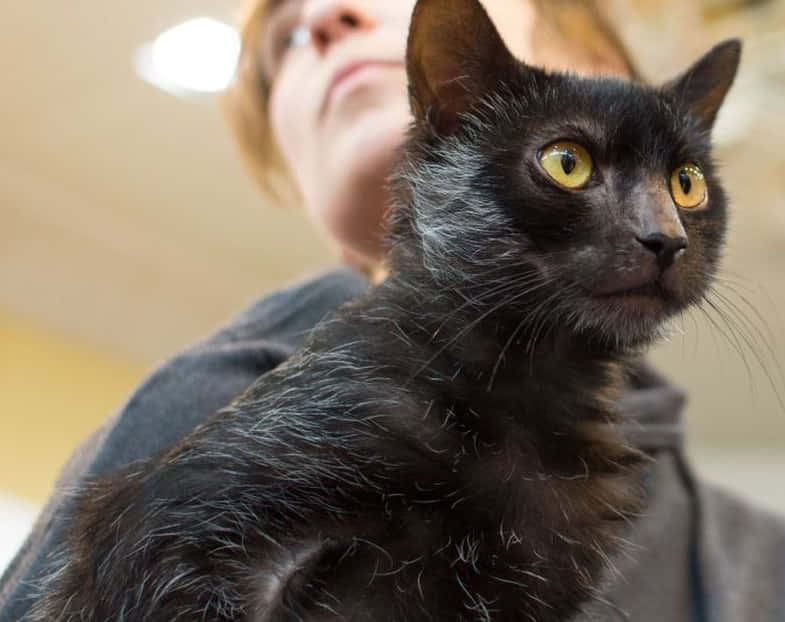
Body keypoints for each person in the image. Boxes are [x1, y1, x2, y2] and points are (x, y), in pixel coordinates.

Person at [1, 1, 784, 620]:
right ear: (440, 110)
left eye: (685, 185)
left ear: (603, 60)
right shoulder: (217, 387)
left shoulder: (748, 551)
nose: (665, 227)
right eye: (279, 52)